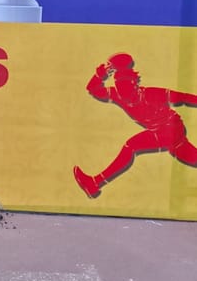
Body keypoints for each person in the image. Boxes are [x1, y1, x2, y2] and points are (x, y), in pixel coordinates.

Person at [74, 52, 197, 197]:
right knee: (185, 152)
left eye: (128, 88)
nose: (126, 95)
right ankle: (93, 184)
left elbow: (184, 97)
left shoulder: (150, 94)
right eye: (120, 88)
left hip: (171, 128)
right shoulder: (117, 95)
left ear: (135, 84)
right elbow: (93, 89)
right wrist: (99, 75)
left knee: (131, 146)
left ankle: (94, 183)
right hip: (162, 132)